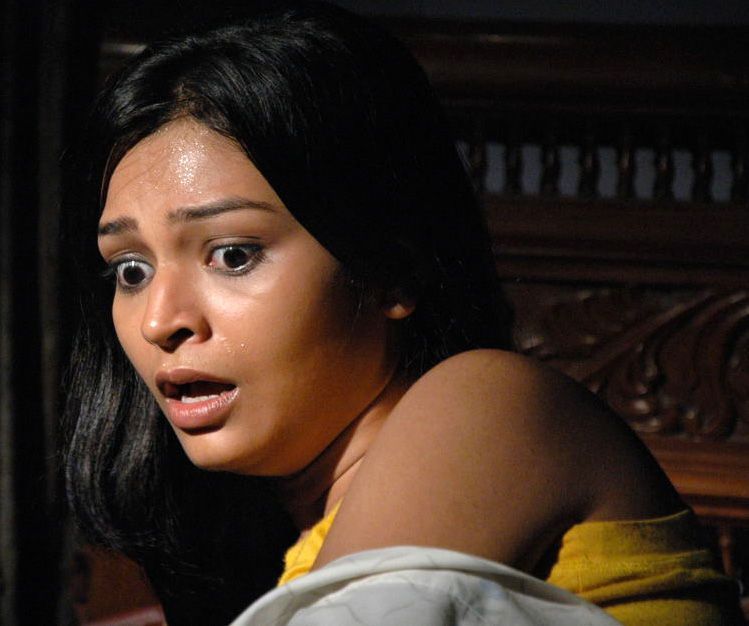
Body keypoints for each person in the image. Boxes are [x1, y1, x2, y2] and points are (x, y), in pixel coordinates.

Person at [63, 3, 741, 625]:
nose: (159, 321)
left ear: (391, 266)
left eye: (233, 255)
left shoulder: (486, 401)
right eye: (132, 270)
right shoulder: (277, 541)